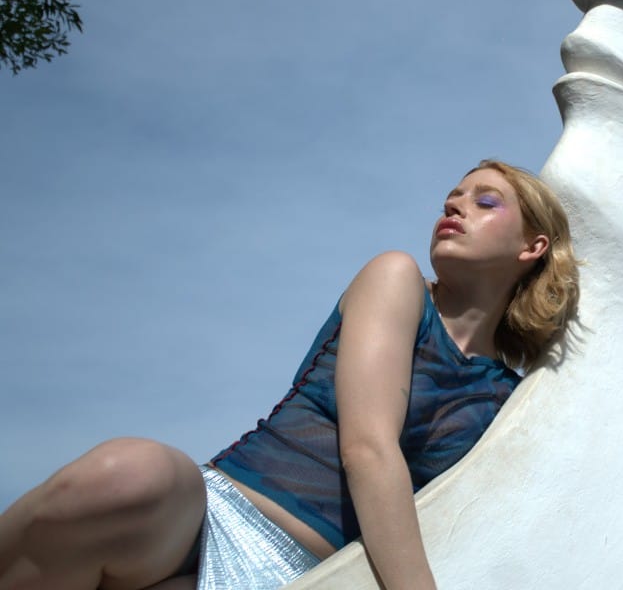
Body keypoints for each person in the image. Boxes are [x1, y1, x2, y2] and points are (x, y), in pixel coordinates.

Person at [0, 159, 579, 590]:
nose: (454, 207)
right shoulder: (396, 278)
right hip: (208, 522)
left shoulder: (511, 397)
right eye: (451, 198)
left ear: (533, 247)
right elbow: (368, 449)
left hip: (323, 577)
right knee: (128, 473)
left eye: (485, 202)